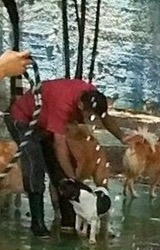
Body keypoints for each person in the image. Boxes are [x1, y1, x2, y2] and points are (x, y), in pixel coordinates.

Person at [6, 78, 125, 237]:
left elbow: (104, 116)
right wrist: (74, 179)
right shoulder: (61, 104)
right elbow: (59, 146)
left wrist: (123, 138)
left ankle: (68, 219)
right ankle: (38, 223)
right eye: (89, 116)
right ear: (81, 106)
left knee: (59, 169)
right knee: (35, 165)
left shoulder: (91, 95)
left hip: (44, 122)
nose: (91, 120)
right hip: (22, 119)